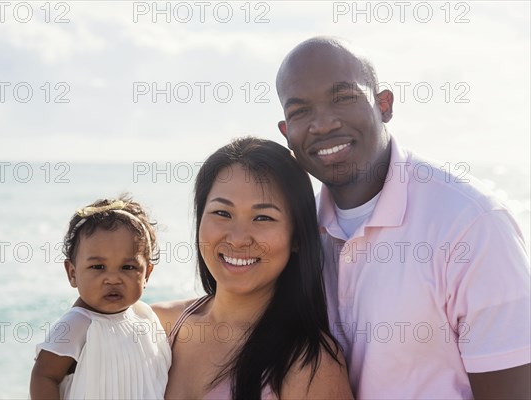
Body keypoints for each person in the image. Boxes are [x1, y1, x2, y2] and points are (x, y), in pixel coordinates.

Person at [275, 36, 531, 399]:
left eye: (343, 98)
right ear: (286, 132)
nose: (323, 123)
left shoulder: (471, 225)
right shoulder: (294, 237)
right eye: (300, 110)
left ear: (384, 105)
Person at [153, 137, 353, 399]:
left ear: (297, 238)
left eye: (263, 218)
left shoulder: (309, 363)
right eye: (222, 213)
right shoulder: (157, 326)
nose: (238, 238)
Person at [30, 196, 171, 399]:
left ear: (147, 273)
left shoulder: (144, 316)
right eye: (98, 267)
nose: (113, 279)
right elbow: (44, 375)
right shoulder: (78, 323)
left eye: (128, 267)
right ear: (72, 273)